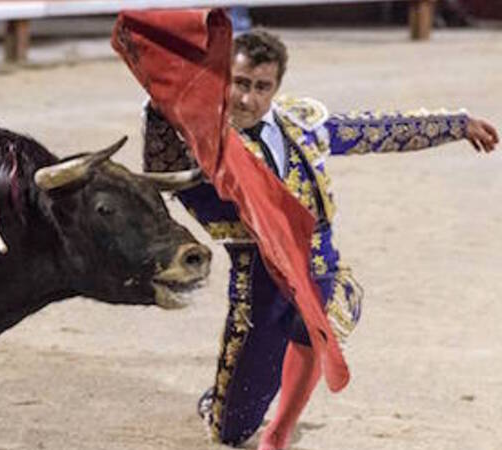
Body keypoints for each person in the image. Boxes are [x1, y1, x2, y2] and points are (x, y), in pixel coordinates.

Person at [142, 29, 498, 450]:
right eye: (240, 83)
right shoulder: (204, 142)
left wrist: (455, 125)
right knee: (231, 430)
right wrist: (159, 110)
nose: (248, 99)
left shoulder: (301, 125)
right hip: (261, 290)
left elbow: (375, 131)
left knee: (316, 322)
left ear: (276, 88)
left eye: (262, 87)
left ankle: (280, 431)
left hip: (319, 273)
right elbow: (163, 170)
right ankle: (221, 401)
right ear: (224, 79)